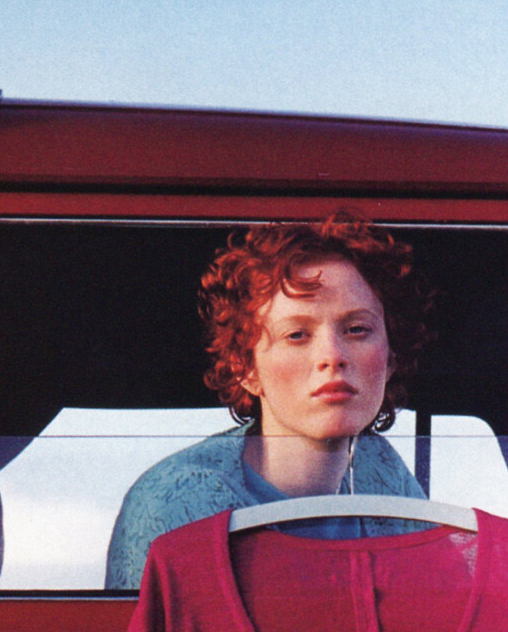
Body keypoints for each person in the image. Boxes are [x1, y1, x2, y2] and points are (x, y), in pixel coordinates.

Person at [104, 212, 430, 589]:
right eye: (296, 335)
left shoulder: (386, 475)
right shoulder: (176, 502)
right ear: (246, 368)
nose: (332, 356)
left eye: (357, 329)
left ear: (390, 359)